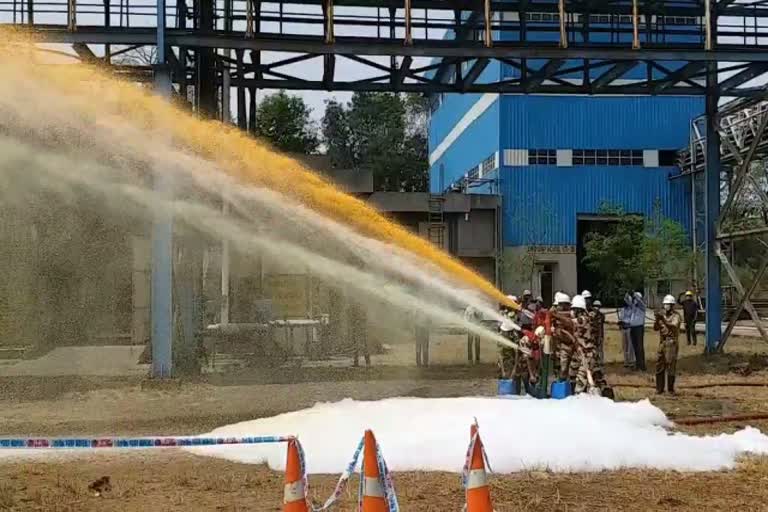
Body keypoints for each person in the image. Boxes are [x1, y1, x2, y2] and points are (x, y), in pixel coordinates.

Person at [654, 294, 682, 394]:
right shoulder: (662, 315)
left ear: (672, 305)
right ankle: (659, 388)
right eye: (665, 304)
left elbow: (673, 327)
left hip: (671, 342)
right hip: (662, 342)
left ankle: (670, 389)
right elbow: (656, 328)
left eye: (668, 304)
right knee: (659, 364)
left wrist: (663, 320)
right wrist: (657, 319)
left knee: (670, 365)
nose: (666, 306)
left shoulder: (676, 316)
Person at [629, 291, 647, 371]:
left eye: (635, 298)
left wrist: (635, 295)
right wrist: (627, 293)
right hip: (632, 328)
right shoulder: (633, 306)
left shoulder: (642, 307)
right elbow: (626, 299)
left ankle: (642, 365)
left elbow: (639, 301)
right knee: (635, 347)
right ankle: (637, 364)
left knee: (639, 347)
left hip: (639, 328)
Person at [349, 301, 370, 367]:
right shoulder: (361, 311)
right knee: (359, 346)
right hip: (359, 330)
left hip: (359, 330)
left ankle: (364, 362)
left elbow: (361, 320)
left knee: (359, 346)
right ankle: (364, 362)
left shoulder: (357, 312)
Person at [618, 294, 636, 369]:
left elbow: (632, 320)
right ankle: (626, 361)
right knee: (624, 345)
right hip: (624, 329)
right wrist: (620, 323)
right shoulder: (622, 309)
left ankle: (631, 361)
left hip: (629, 328)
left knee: (630, 346)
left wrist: (627, 323)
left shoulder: (632, 309)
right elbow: (621, 318)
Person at [592, 299, 606, 365]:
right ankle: (595, 361)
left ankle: (601, 361)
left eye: (598, 306)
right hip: (593, 334)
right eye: (595, 306)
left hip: (600, 334)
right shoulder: (591, 315)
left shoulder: (601, 315)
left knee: (600, 349)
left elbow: (601, 322)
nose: (597, 307)